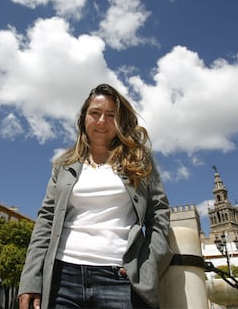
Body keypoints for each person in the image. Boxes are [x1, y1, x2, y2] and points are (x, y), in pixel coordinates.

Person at [18, 83, 173, 309]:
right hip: (62, 277)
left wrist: (148, 266)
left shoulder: (139, 161)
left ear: (120, 121)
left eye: (111, 115)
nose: (102, 121)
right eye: (95, 113)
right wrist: (30, 279)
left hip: (120, 278)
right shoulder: (63, 165)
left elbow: (158, 214)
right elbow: (46, 220)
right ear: (84, 118)